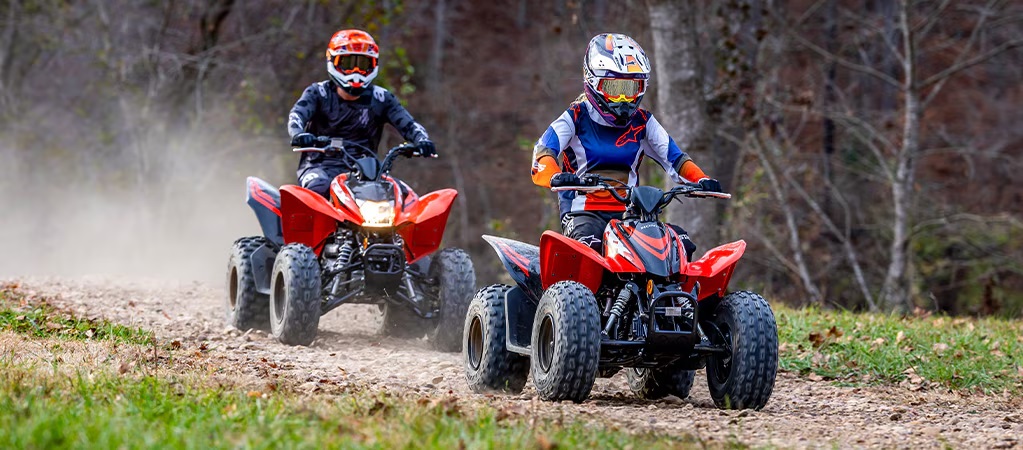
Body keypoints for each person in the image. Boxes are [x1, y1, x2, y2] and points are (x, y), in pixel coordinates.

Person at [530, 33, 722, 259]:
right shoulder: (575, 117)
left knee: (680, 244)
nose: (623, 99)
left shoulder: (644, 121)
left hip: (631, 214)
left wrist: (700, 180)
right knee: (589, 249)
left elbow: (676, 159)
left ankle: (680, 295)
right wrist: (555, 176)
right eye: (614, 88)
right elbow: (543, 151)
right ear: (594, 82)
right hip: (583, 214)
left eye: (630, 89)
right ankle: (574, 294)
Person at [288, 29, 436, 197]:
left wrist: (422, 140)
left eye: (363, 65)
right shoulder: (318, 93)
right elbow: (297, 115)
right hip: (320, 167)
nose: (356, 71)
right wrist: (298, 134)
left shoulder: (381, 98)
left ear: (373, 65)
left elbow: (409, 124)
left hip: (367, 171)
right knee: (317, 191)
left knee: (406, 196)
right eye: (349, 64)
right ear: (333, 62)